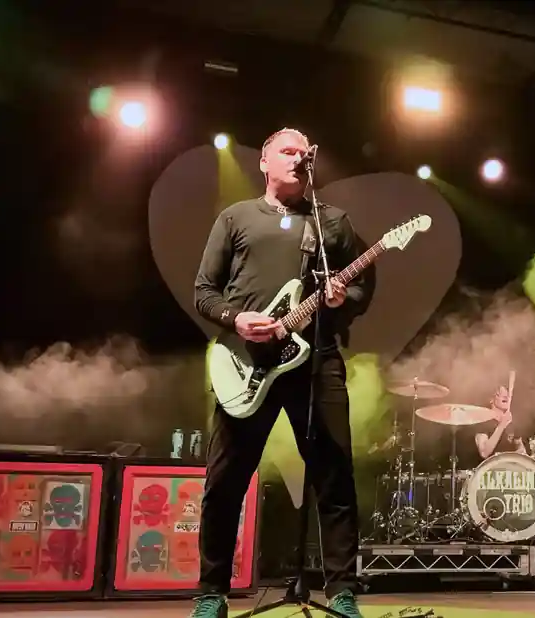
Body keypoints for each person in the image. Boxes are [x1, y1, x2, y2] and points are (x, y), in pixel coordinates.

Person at [191, 128, 375, 618]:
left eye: (306, 152)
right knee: (226, 479)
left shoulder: (332, 222)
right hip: (246, 363)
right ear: (265, 162)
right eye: (288, 151)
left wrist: (341, 300)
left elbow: (360, 291)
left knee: (334, 475)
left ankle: (341, 590)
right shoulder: (236, 218)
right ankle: (212, 593)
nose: (299, 158)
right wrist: (237, 319)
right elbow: (204, 291)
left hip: (315, 359)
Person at [474, 385, 527, 460]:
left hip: (509, 468)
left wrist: (521, 452)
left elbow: (520, 446)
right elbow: (484, 452)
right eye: (500, 394)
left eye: (507, 394)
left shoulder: (511, 423)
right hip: (490, 469)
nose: (505, 396)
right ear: (491, 400)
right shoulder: (483, 422)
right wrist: (502, 425)